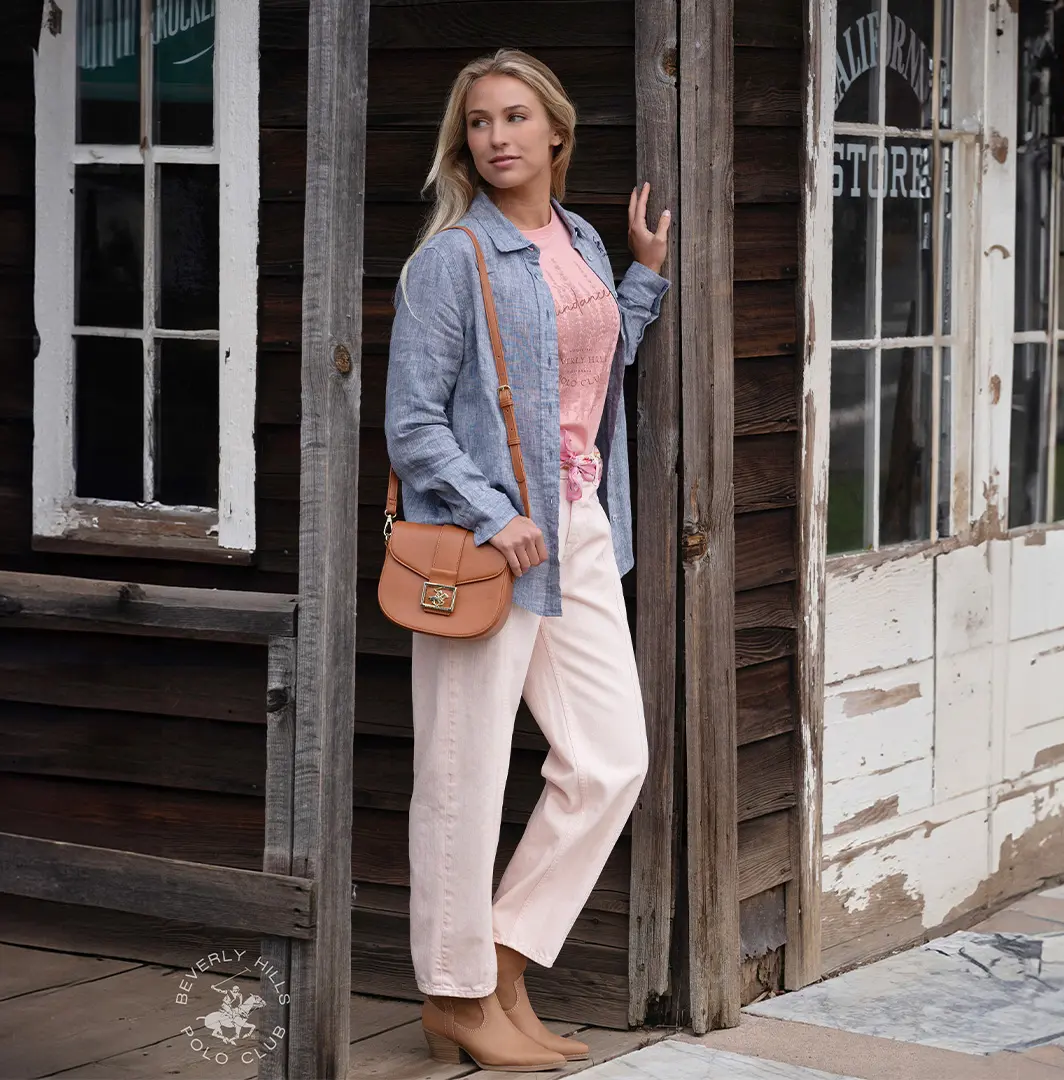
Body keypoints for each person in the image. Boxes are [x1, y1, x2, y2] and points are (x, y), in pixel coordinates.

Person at [384, 48, 671, 1072]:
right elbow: (413, 425)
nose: (496, 138)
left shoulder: (581, 237)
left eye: (514, 118)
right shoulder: (450, 261)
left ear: (556, 131)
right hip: (485, 544)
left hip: (581, 525)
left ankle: (499, 960)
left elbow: (591, 371)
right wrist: (491, 508)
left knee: (609, 760)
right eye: (478, 123)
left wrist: (640, 281)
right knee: (458, 772)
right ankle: (453, 996)